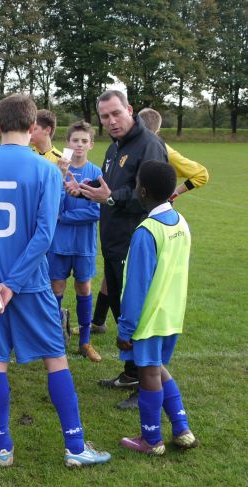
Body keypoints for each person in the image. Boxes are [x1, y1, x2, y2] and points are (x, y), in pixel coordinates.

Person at [0, 93, 111, 468]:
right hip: (31, 284)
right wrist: (11, 283)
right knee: (55, 358)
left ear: (0, 125)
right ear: (32, 126)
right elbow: (44, 233)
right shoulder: (46, 169)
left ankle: (2, 446)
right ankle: (74, 447)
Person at [68, 90, 168, 410]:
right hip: (112, 243)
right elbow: (109, 190)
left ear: (129, 109)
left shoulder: (148, 144)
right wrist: (85, 192)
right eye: (105, 117)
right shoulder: (114, 148)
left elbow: (148, 194)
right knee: (121, 309)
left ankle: (145, 384)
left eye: (115, 114)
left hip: (135, 243)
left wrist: (109, 198)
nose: (111, 121)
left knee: (136, 314)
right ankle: (130, 372)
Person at [89, 108, 210, 336]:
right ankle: (101, 323)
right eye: (105, 117)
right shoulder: (118, 147)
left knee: (134, 285)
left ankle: (132, 348)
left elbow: (201, 174)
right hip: (120, 229)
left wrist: (172, 193)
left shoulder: (154, 146)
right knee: (115, 279)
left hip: (145, 223)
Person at [117, 161, 198, 454]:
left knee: (148, 372)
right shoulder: (180, 222)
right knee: (158, 368)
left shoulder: (147, 231)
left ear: (143, 191)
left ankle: (151, 440)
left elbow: (137, 286)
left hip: (149, 319)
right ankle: (182, 429)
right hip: (172, 314)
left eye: (138, 182)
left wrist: (126, 327)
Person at [49, 121, 102, 362]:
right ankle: (55, 340)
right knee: (56, 289)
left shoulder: (97, 173)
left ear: (91, 144)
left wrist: (65, 217)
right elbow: (52, 207)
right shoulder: (56, 171)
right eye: (74, 140)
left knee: (84, 287)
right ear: (67, 143)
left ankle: (85, 341)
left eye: (84, 141)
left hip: (83, 245)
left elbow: (96, 212)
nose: (79, 145)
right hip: (58, 244)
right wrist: (60, 178)